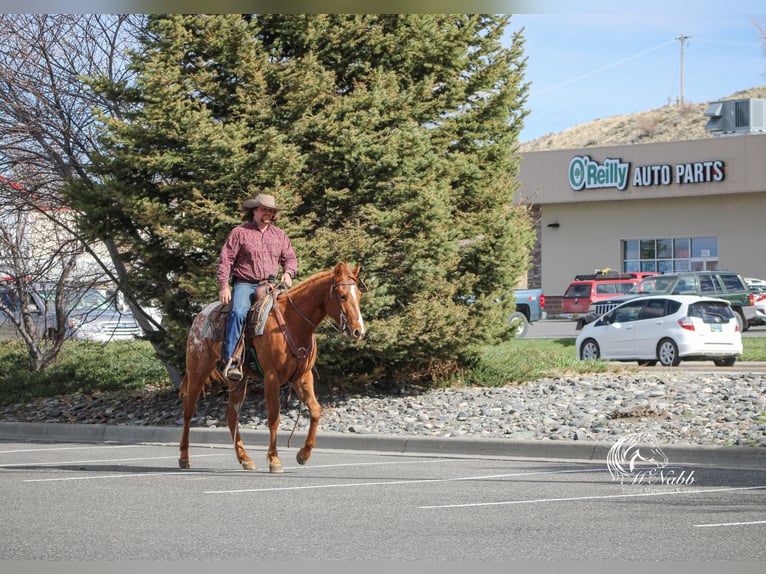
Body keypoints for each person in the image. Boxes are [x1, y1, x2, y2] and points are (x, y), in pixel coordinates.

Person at [216, 193, 298, 380]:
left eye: (270, 210)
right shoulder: (240, 232)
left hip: (271, 284)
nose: (267, 213)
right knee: (238, 312)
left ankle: (291, 356)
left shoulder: (279, 235)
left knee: (291, 311)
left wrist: (288, 273)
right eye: (263, 209)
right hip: (245, 283)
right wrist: (224, 286)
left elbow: (290, 258)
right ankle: (232, 360)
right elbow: (225, 260)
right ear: (254, 211)